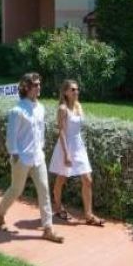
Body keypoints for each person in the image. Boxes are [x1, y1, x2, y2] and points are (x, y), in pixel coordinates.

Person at [0, 72, 63, 243]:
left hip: (38, 157)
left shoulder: (41, 108)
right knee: (16, 190)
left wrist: (41, 149)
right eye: (35, 85)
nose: (39, 87)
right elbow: (11, 137)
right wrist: (15, 155)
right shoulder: (17, 111)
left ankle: (48, 229)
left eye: (39, 84)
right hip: (22, 159)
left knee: (44, 190)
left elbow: (41, 131)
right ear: (26, 88)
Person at [49, 80, 104, 226]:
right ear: (65, 92)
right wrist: (66, 153)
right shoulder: (62, 109)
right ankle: (58, 207)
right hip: (66, 146)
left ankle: (89, 215)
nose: (76, 92)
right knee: (61, 178)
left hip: (79, 146)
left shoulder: (79, 106)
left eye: (77, 89)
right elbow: (61, 131)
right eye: (72, 89)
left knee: (87, 179)